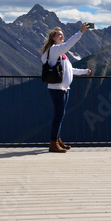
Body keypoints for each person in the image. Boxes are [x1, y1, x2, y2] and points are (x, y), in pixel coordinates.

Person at [41, 23, 92, 153]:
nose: (62, 36)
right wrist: (80, 32)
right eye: (59, 35)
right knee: (58, 116)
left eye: (62, 34)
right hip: (57, 89)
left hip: (63, 88)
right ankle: (53, 143)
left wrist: (84, 71)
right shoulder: (54, 50)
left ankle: (57, 140)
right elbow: (69, 44)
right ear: (53, 38)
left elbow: (69, 70)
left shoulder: (61, 53)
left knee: (60, 116)